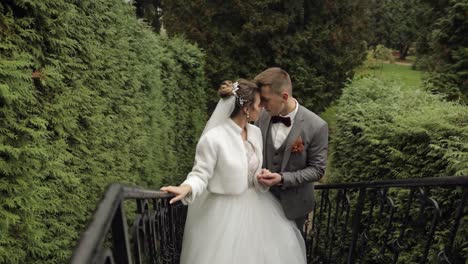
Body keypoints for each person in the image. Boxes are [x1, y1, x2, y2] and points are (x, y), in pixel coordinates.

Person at [161, 79, 306, 264]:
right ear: (246, 108)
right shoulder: (213, 139)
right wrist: (187, 188)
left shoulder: (255, 133)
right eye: (258, 104)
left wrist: (260, 177)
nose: (262, 108)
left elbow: (251, 169)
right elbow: (201, 174)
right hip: (223, 214)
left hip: (258, 209)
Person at [254, 67, 328, 235]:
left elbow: (317, 170)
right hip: (260, 201)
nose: (262, 105)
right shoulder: (262, 116)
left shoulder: (316, 126)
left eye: (266, 100)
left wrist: (282, 178)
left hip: (294, 206)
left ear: (284, 96)